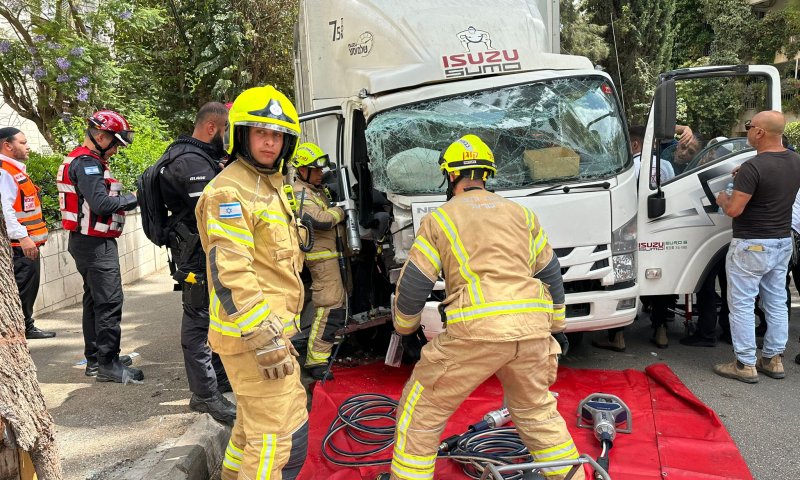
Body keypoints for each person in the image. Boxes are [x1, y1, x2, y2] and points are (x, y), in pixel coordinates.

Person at [382, 134, 584, 480]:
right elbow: (550, 271)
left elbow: (415, 283)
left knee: (422, 411)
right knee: (537, 411)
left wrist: (405, 329)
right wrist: (557, 327)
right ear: (487, 174)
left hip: (475, 333)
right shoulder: (521, 213)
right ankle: (571, 476)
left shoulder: (441, 218)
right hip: (532, 332)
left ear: (450, 175)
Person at [196, 86, 308, 479]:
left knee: (250, 428)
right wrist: (264, 336)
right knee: (272, 437)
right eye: (260, 132)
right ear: (240, 136)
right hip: (254, 338)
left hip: (270, 332)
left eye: (277, 134)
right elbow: (231, 271)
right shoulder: (231, 189)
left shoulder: (268, 184)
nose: (269, 142)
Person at [155, 102, 235, 425]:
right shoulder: (190, 161)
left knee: (212, 314)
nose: (228, 138)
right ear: (212, 128)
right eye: (226, 130)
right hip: (193, 253)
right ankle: (203, 394)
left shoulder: (199, 157)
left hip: (199, 249)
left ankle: (217, 379)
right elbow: (211, 208)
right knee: (198, 319)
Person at [714, 110, 800, 383]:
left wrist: (722, 198)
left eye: (750, 126)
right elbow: (775, 180)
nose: (749, 130)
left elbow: (734, 210)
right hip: (781, 242)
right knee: (776, 301)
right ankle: (773, 360)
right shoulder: (795, 161)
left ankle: (744, 364)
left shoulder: (753, 167)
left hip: (751, 244)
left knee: (741, 304)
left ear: (760, 132)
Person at [57, 110, 141, 382]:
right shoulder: (87, 164)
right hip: (94, 245)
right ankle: (107, 364)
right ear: (101, 137)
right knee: (109, 301)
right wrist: (135, 197)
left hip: (88, 242)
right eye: (115, 144)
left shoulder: (84, 160)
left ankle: (97, 359)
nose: (116, 150)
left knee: (94, 301)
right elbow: (101, 204)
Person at [290, 142, 347, 381]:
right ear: (302, 170)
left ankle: (323, 352)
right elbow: (320, 220)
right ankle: (317, 360)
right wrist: (342, 212)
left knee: (336, 305)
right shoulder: (299, 193)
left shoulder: (315, 190)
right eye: (315, 170)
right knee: (329, 306)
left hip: (331, 255)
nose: (320, 173)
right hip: (321, 259)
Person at [0, 127, 54, 339]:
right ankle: (21, 330)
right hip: (20, 246)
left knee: (28, 289)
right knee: (22, 290)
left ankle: (26, 326)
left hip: (26, 243)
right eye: (22, 143)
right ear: (7, 145)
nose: (28, 147)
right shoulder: (5, 172)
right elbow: (6, 210)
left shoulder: (15, 170)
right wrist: (23, 237)